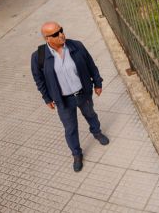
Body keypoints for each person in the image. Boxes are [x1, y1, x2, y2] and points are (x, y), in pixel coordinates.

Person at [30, 21, 110, 172]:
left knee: (91, 114)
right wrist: (47, 99)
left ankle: (97, 132)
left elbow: (91, 65)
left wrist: (98, 83)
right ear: (47, 38)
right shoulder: (38, 57)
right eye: (55, 34)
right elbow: (39, 80)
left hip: (82, 93)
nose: (61, 35)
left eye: (61, 30)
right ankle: (76, 154)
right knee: (70, 128)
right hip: (63, 100)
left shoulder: (76, 46)